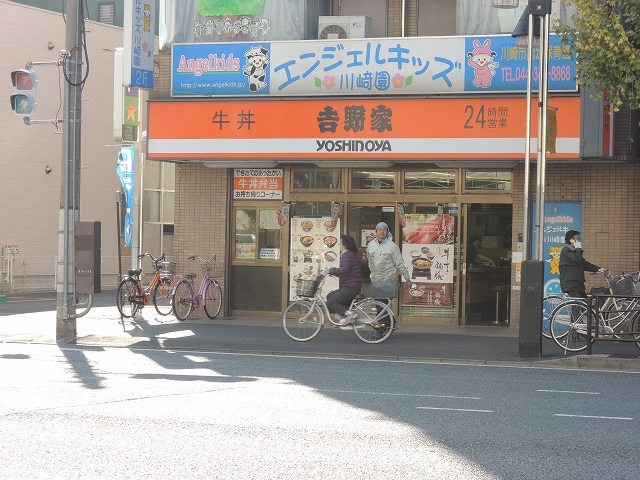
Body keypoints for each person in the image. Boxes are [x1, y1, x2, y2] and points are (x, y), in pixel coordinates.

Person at [366, 222, 411, 298]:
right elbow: (370, 261)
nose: (382, 232)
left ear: (387, 232)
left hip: (387, 282)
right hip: (375, 281)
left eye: (384, 230)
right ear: (376, 231)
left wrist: (407, 278)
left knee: (384, 305)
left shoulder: (393, 247)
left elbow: (400, 263)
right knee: (378, 306)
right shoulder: (371, 245)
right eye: (379, 229)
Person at [324, 235, 362, 325]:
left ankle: (349, 314)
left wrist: (331, 270)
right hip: (353, 286)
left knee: (330, 302)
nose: (339, 245)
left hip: (350, 287)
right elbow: (349, 271)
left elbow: (345, 269)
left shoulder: (346, 255)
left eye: (340, 243)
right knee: (330, 296)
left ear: (345, 244)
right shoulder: (352, 254)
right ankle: (340, 318)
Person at [560, 230, 603, 298]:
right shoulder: (566, 251)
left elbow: (584, 264)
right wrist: (578, 248)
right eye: (577, 238)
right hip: (571, 283)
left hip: (577, 283)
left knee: (584, 304)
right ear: (571, 240)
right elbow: (577, 260)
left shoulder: (575, 252)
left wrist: (598, 269)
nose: (579, 240)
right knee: (578, 305)